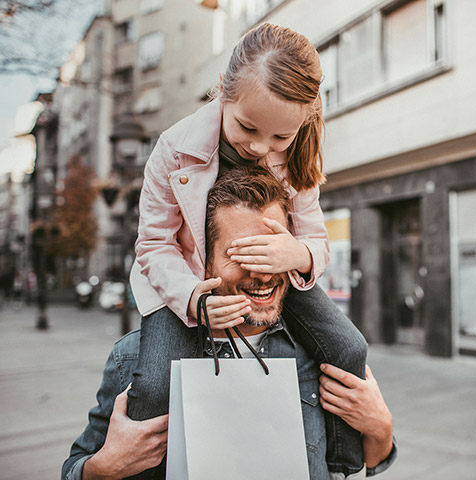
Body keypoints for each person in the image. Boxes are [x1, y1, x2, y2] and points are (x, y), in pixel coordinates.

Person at [128, 23, 368, 478]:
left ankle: (339, 463)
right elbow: (154, 243)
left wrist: (294, 255)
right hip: (188, 281)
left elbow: (316, 240)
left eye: (281, 137)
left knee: (349, 346)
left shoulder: (301, 153)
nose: (261, 148)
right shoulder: (174, 149)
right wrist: (196, 298)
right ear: (223, 94)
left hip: (275, 277)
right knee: (154, 385)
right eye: (248, 127)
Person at [62, 168, 396, 480]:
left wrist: (380, 430)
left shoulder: (321, 350)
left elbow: (357, 465)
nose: (263, 272)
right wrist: (102, 468)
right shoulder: (136, 357)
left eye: (271, 251)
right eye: (241, 255)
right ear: (203, 261)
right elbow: (75, 467)